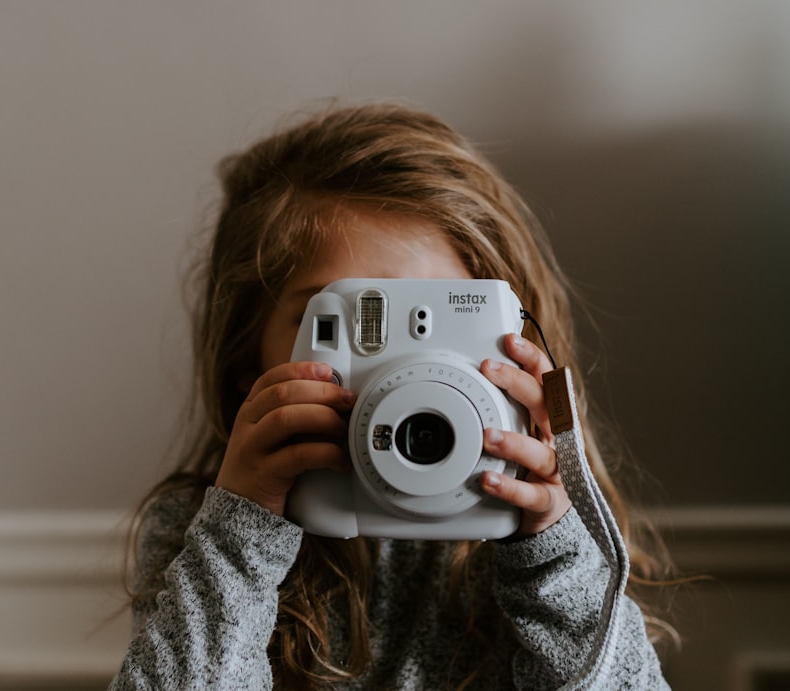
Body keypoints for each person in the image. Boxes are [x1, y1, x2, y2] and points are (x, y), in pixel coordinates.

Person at [110, 102, 674, 690]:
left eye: (431, 323)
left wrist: (555, 552)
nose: (396, 377)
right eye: (344, 324)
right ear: (244, 363)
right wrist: (239, 535)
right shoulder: (200, 526)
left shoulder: (544, 529)